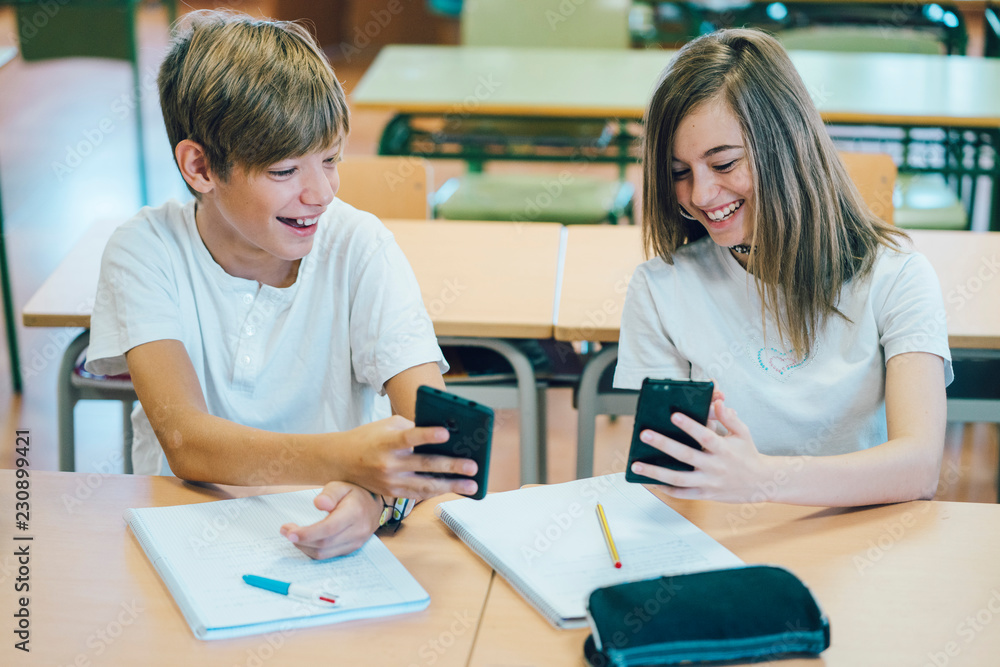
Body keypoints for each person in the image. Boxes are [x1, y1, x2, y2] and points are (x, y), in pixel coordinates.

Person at [86, 10, 475, 559]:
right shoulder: (146, 250)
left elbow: (429, 429)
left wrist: (374, 497)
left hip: (331, 538)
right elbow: (185, 442)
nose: (321, 193)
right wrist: (350, 459)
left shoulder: (359, 246)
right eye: (284, 172)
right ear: (199, 167)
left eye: (331, 160)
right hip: (182, 535)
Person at [613, 28, 953, 507]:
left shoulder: (897, 276)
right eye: (678, 173)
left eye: (725, 164)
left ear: (786, 145)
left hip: (862, 544)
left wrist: (761, 479)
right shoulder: (660, 288)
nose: (700, 195)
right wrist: (698, 455)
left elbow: (919, 467)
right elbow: (664, 479)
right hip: (730, 549)